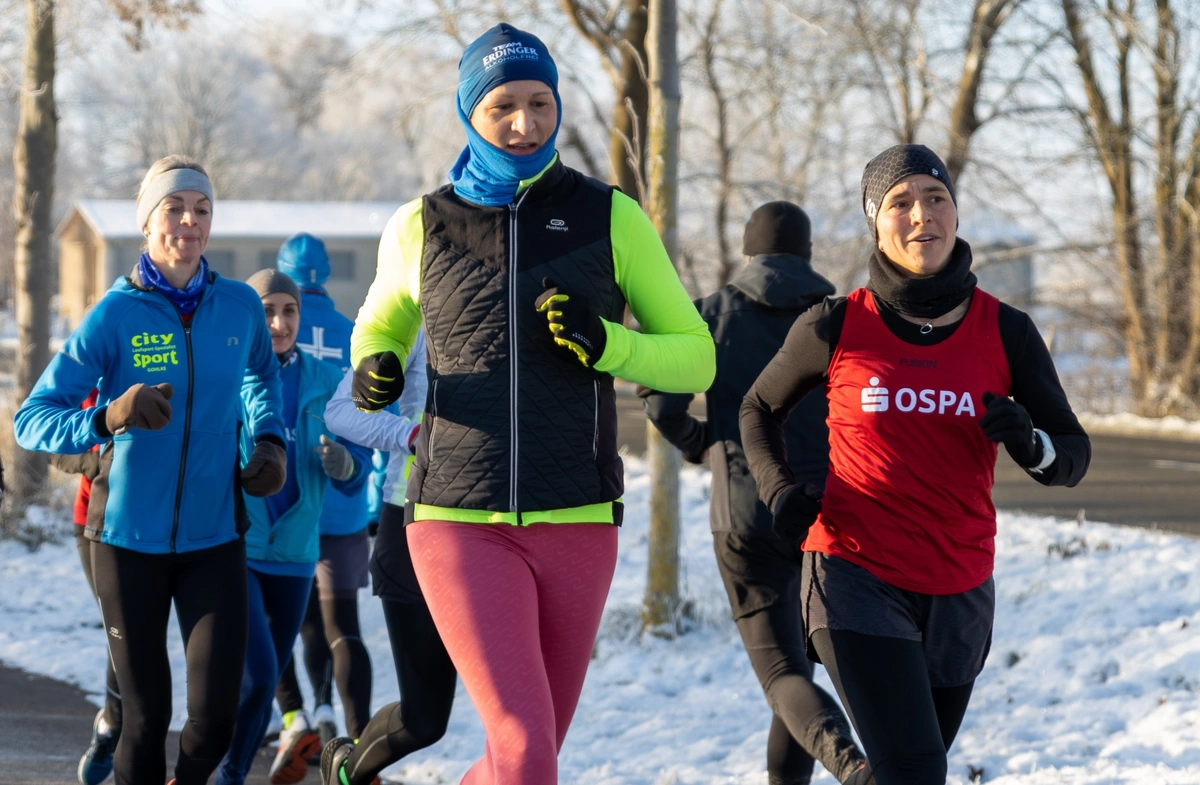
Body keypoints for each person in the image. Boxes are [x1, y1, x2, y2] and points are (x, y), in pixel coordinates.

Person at [322, 22, 716, 785]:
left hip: (577, 515)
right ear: (469, 112)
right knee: (528, 750)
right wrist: (372, 367)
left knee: (522, 756)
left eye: (540, 103)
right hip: (455, 517)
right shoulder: (419, 225)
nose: (525, 122)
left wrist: (610, 345)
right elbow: (377, 328)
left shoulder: (612, 217)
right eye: (503, 105)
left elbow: (695, 352)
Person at [740, 144, 1091, 785]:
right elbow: (757, 408)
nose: (922, 215)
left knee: (905, 769)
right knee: (916, 769)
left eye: (936, 198)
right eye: (901, 203)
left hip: (960, 584)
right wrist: (779, 489)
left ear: (955, 214)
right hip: (855, 574)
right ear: (877, 222)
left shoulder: (1007, 330)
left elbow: (1072, 455)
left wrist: (1031, 441)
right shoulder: (835, 324)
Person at [14, 155, 288, 785]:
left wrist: (269, 439)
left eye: (201, 209)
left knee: (218, 717)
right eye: (174, 207)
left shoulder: (241, 306)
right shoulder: (116, 314)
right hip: (124, 541)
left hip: (215, 536)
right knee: (144, 714)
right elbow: (32, 418)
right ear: (147, 220)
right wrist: (109, 416)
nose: (189, 222)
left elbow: (261, 374)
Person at [641, 201, 869, 785]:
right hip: (831, 514)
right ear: (808, 253)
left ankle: (852, 766)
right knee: (803, 673)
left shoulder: (712, 315)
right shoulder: (841, 317)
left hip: (744, 511)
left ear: (748, 251)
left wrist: (702, 444)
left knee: (782, 676)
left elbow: (662, 401)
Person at [215, 270, 371, 785]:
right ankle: (226, 772)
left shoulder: (328, 383)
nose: (279, 323)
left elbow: (358, 472)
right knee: (259, 677)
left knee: (260, 686)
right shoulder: (230, 376)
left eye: (289, 311)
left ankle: (233, 770)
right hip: (239, 548)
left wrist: (346, 468)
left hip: (299, 553)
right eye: (267, 311)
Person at [271, 233, 377, 768]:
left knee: (281, 618)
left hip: (286, 497)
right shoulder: (353, 334)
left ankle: (299, 717)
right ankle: (352, 735)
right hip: (345, 496)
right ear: (327, 274)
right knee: (342, 624)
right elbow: (373, 414)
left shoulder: (269, 325)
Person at [322, 333, 447, 785]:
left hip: (498, 528)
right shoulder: (413, 310)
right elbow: (340, 410)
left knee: (515, 711)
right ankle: (346, 773)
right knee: (425, 720)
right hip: (411, 518)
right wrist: (410, 434)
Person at [47, 390, 123, 785]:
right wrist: (93, 463)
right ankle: (112, 725)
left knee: (142, 632)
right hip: (93, 523)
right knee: (122, 625)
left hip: (153, 527)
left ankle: (122, 720)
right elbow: (52, 447)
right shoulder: (85, 382)